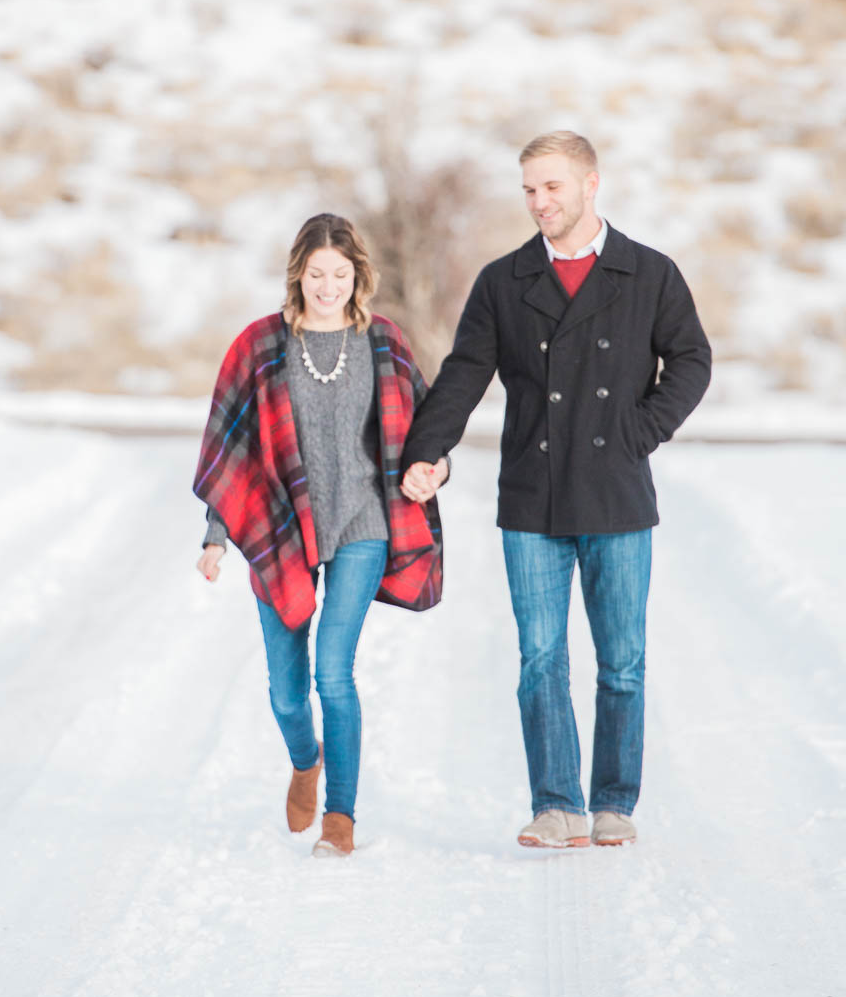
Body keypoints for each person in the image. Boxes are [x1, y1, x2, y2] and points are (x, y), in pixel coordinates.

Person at [400, 131, 711, 848]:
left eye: (553, 187)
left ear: (591, 184)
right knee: (540, 658)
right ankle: (554, 803)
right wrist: (427, 449)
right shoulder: (504, 282)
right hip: (533, 495)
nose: (541, 202)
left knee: (622, 662)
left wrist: (644, 430)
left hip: (617, 492)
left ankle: (612, 803)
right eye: (530, 190)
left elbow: (692, 359)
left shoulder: (648, 273)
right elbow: (463, 376)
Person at [194, 213, 446, 857]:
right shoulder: (261, 344)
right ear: (297, 275)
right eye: (316, 275)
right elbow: (237, 449)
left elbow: (424, 432)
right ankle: (305, 761)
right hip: (283, 525)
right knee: (286, 692)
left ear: (358, 276)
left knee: (334, 674)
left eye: (340, 274)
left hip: (363, 520)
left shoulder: (382, 340)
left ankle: (342, 817)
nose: (328, 287)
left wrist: (435, 466)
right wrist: (217, 536)